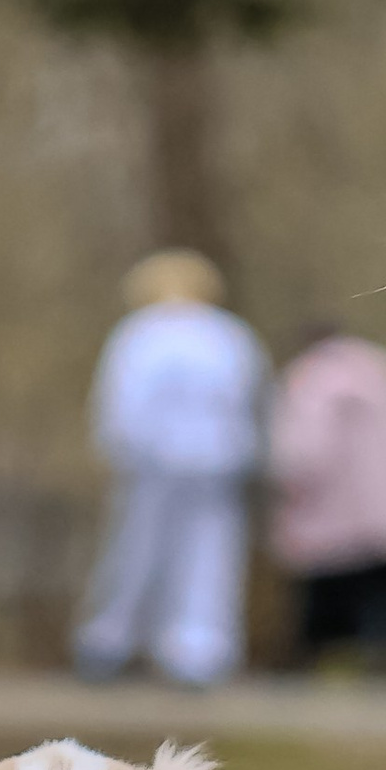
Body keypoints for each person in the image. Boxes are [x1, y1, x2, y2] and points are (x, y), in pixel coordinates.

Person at [73, 253, 271, 687]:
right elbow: (253, 403)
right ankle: (199, 651)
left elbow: (121, 405)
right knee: (210, 557)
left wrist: (118, 451)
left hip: (153, 462)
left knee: (136, 553)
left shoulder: (140, 334)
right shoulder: (232, 335)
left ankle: (109, 643)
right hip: (219, 462)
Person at [266, 324, 386, 664]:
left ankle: (312, 660)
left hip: (330, 510)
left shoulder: (312, 380)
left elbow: (304, 451)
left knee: (326, 592)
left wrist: (287, 487)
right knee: (383, 589)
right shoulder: (384, 369)